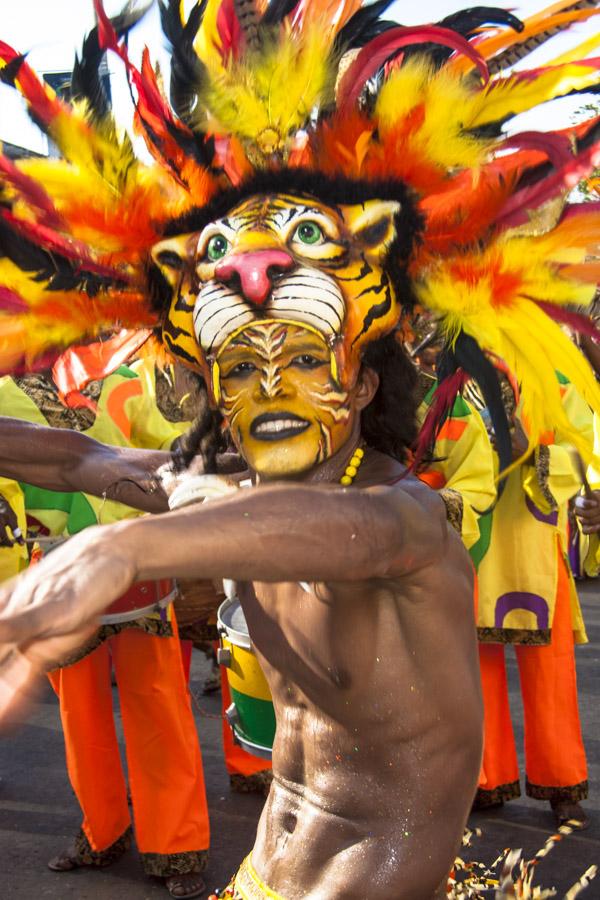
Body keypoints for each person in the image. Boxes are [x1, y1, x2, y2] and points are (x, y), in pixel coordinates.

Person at [0, 2, 600, 898]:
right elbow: (75, 461)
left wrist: (115, 546)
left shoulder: (406, 519)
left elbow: (341, 531)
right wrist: (113, 510)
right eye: (239, 366)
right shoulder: (219, 494)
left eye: (303, 361)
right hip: (262, 874)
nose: (266, 388)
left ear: (363, 386)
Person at [0, 362, 210, 899]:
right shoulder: (2, 391)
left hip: (134, 565)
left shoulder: (126, 377)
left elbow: (170, 451)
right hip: (49, 573)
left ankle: (176, 844)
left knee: (158, 700)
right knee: (80, 713)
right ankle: (103, 829)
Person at [471, 375, 593, 830]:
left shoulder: (557, 381)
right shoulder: (457, 377)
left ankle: (562, 783)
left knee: (551, 671)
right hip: (478, 539)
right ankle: (486, 779)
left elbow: (583, 450)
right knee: (476, 667)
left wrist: (534, 454)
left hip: (537, 544)